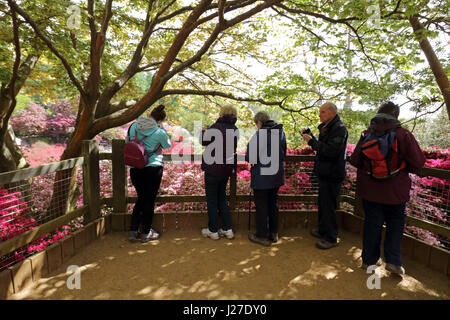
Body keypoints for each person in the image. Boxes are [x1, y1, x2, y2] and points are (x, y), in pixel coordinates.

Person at [349, 101, 425, 275]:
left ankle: (369, 262)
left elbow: (355, 160)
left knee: (372, 225)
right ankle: (394, 262)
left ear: (378, 113)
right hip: (396, 192)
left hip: (370, 191)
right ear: (396, 116)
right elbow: (418, 162)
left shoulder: (367, 133)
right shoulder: (403, 134)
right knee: (395, 226)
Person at [302, 102, 348, 249]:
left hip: (332, 173)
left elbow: (331, 151)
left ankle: (331, 237)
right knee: (323, 204)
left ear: (332, 113)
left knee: (328, 206)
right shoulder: (328, 127)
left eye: (322, 112)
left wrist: (311, 142)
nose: (319, 114)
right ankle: (323, 230)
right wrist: (312, 138)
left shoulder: (339, 128)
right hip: (325, 172)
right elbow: (324, 146)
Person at [126, 105, 172, 243]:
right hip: (153, 167)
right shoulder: (160, 132)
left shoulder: (133, 126)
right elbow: (167, 146)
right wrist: (161, 129)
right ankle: (146, 233)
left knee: (141, 198)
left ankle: (133, 231)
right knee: (149, 200)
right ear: (160, 120)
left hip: (135, 167)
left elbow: (128, 142)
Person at [245, 111, 287, 246]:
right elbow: (283, 153)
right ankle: (273, 233)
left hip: (262, 177)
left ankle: (262, 235)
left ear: (259, 122)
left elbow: (250, 157)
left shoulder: (260, 134)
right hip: (276, 176)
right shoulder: (280, 133)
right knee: (273, 204)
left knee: (262, 206)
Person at [200, 105, 239, 240]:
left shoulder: (215, 127)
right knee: (222, 198)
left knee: (212, 200)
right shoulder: (235, 129)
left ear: (222, 113)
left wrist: (204, 131)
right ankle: (227, 229)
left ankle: (213, 231)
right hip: (226, 169)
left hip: (212, 168)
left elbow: (203, 142)